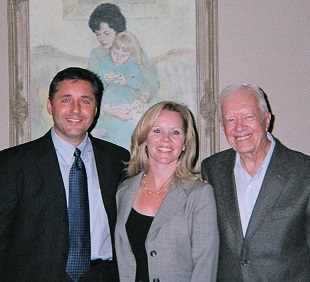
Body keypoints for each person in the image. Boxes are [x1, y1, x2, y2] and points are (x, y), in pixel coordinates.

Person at [0, 67, 130, 281]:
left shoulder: (118, 160)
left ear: (96, 109)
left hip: (103, 276)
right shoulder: (12, 164)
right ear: (50, 106)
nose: (76, 110)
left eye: (85, 101)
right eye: (66, 100)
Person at [201, 83, 310, 281]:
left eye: (248, 116)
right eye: (231, 119)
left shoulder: (304, 172)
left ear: (266, 119)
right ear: (222, 126)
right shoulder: (212, 169)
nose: (239, 127)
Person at [115, 101, 219, 281]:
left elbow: (205, 266)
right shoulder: (124, 191)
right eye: (157, 130)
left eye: (175, 132)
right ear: (145, 138)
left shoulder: (199, 194)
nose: (166, 139)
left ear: (185, 143)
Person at [88, 3, 159, 112]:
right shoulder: (96, 54)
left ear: (117, 30)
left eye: (106, 33)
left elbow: (151, 83)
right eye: (98, 34)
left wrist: (142, 99)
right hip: (107, 105)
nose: (102, 39)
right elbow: (90, 87)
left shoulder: (135, 50)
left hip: (136, 102)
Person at [95, 30, 146, 150]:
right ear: (111, 49)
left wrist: (127, 81)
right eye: (115, 53)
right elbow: (97, 83)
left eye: (123, 55)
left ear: (130, 54)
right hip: (110, 96)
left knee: (134, 114)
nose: (118, 58)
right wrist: (105, 80)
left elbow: (138, 83)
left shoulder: (132, 65)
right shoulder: (105, 62)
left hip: (127, 96)